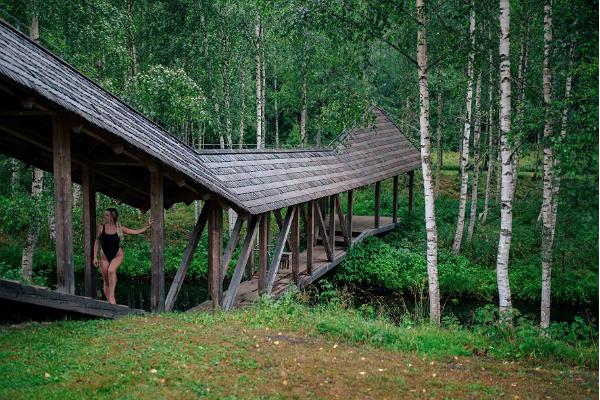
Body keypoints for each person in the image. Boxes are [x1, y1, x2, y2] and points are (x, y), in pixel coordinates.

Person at [93, 208, 153, 304]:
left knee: (111, 270)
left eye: (107, 215)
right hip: (104, 256)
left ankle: (112, 296)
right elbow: (97, 242)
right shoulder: (101, 228)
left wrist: (148, 226)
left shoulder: (119, 228)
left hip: (117, 255)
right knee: (106, 281)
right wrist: (95, 257)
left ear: (112, 217)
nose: (104, 216)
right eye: (105, 214)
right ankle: (110, 303)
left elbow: (136, 231)